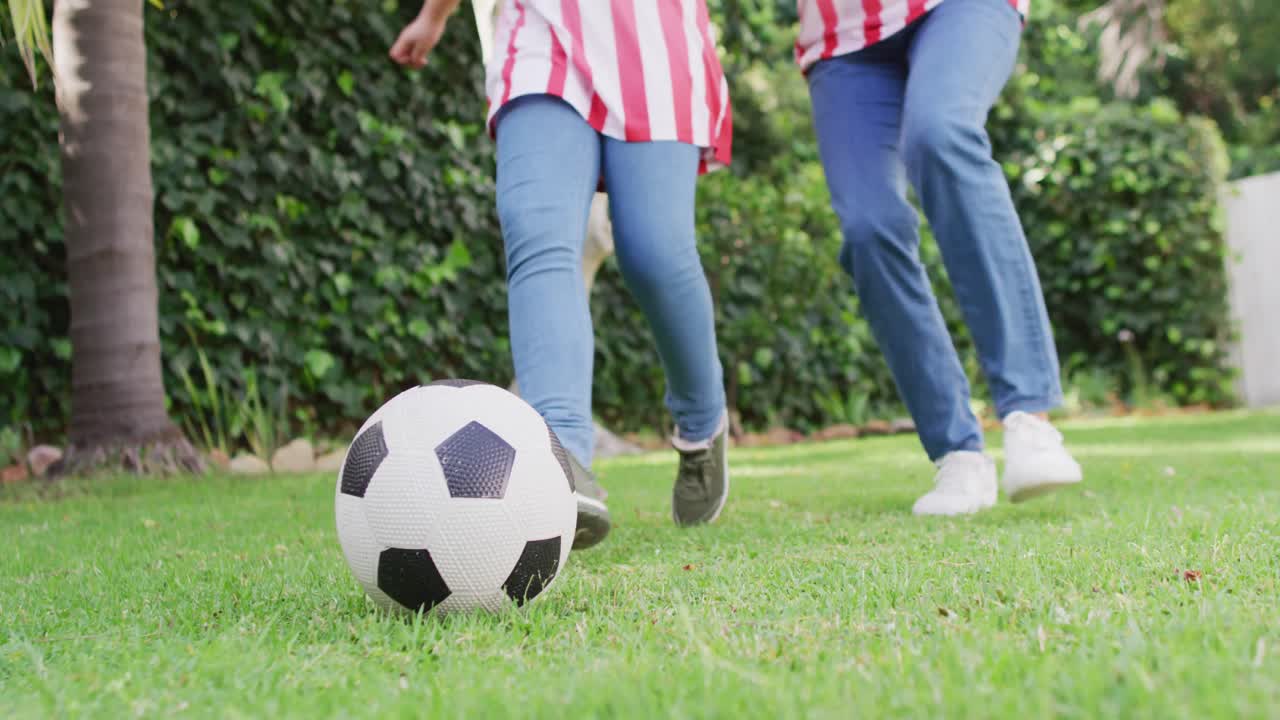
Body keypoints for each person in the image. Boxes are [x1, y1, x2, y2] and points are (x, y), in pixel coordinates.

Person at [390, 0, 734, 546]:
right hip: (541, 34)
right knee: (539, 232)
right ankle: (560, 455)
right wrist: (435, 16)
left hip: (653, 38)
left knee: (655, 254)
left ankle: (701, 425)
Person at [796, 0, 1082, 515]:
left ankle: (1028, 418)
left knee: (941, 134)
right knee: (868, 228)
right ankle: (958, 452)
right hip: (842, 36)